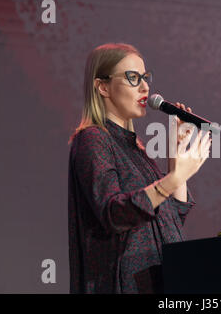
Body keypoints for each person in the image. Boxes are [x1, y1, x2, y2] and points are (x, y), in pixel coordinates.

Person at [67, 43, 211, 294]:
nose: (145, 87)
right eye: (132, 78)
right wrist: (175, 177)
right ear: (103, 87)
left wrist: (175, 157)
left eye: (145, 78)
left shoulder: (135, 150)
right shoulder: (93, 139)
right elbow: (113, 213)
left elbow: (171, 219)